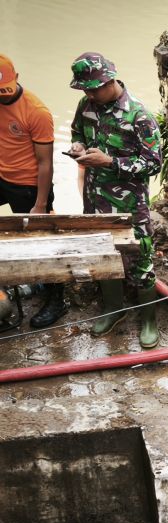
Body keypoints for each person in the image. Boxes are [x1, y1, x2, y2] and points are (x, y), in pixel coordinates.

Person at [67, 52, 162, 348]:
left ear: (109, 80)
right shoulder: (86, 105)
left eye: (93, 88)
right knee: (104, 256)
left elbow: (153, 163)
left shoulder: (138, 115)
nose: (89, 94)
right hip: (95, 201)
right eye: (85, 89)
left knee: (142, 259)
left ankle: (148, 319)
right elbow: (76, 132)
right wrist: (79, 146)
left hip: (130, 205)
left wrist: (110, 162)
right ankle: (113, 310)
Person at [0, 54, 63, 328]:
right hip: (2, 176)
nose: (2, 96)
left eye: (6, 90)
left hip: (29, 185)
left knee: (43, 240)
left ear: (17, 79)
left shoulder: (36, 111)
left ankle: (57, 299)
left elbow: (45, 162)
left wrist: (39, 205)